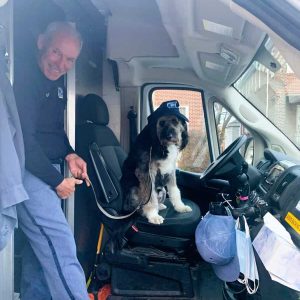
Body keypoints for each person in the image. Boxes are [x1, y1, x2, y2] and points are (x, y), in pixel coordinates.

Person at [14, 21, 90, 300]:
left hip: (46, 170)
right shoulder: (23, 79)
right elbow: (23, 142)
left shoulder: (55, 84)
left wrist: (70, 153)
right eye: (57, 52)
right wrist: (57, 181)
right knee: (61, 247)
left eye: (69, 59)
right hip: (27, 173)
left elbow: (54, 131)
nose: (61, 64)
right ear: (41, 42)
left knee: (40, 253)